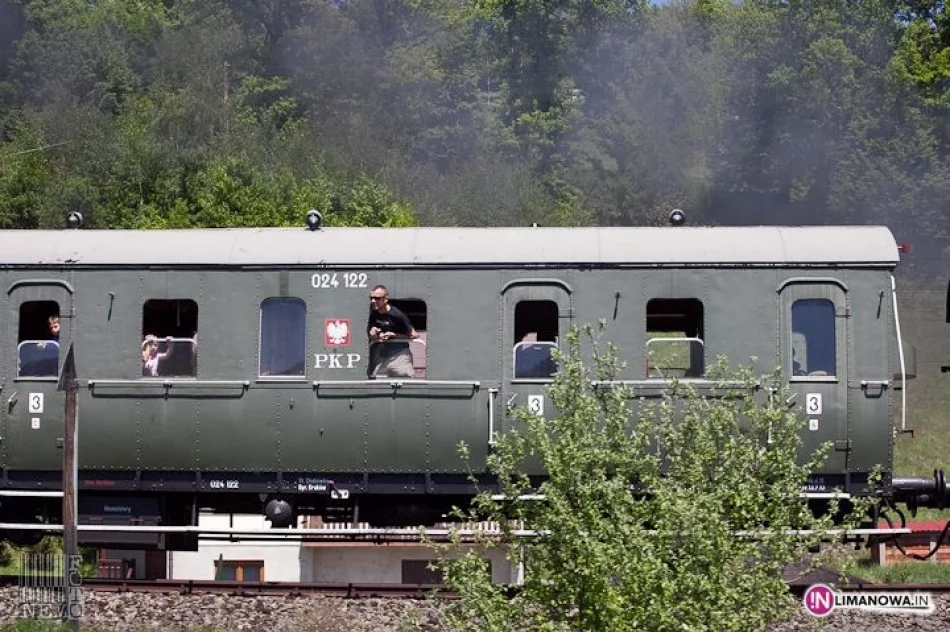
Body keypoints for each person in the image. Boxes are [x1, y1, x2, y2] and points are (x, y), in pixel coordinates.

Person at [366, 285, 418, 378]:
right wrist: (375, 334)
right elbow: (372, 334)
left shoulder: (397, 315)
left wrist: (394, 335)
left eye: (377, 298)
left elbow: (414, 335)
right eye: (371, 298)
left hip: (400, 355)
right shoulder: (373, 313)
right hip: (382, 356)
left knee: (405, 383)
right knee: (378, 383)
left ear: (385, 299)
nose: (373, 301)